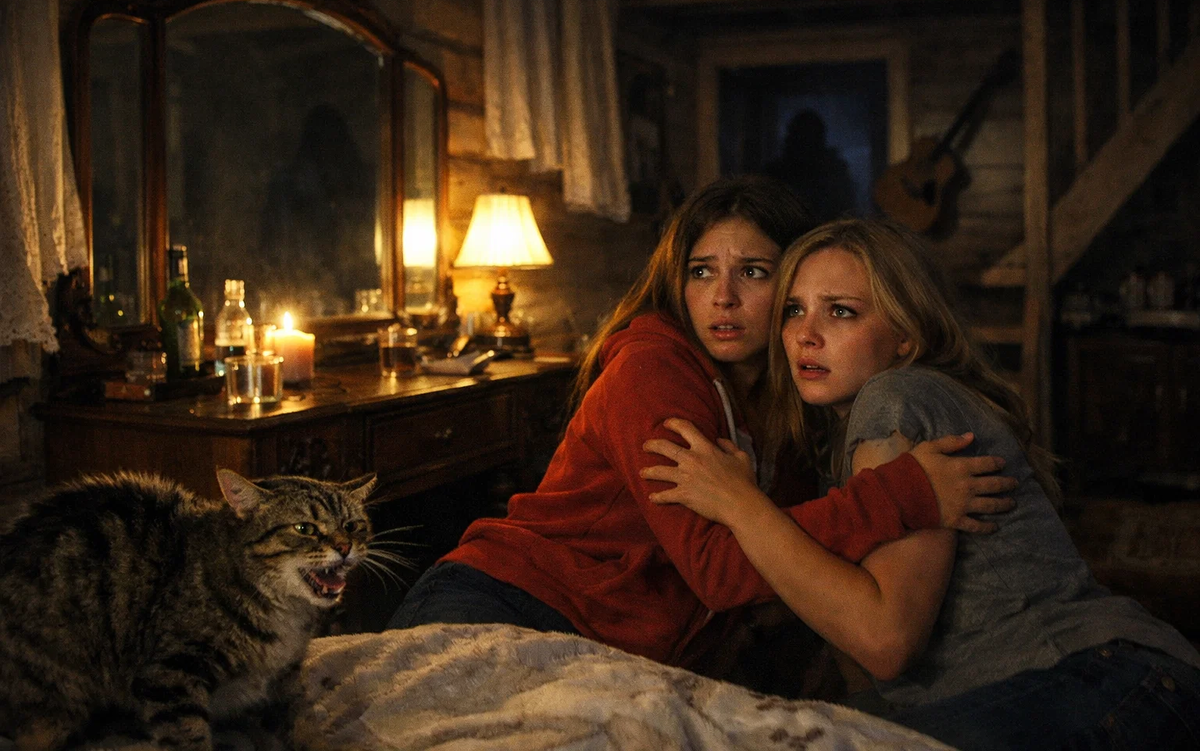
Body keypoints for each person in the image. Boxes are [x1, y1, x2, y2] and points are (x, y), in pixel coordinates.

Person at [387, 177, 1015, 667]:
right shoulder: (652, 371)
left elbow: (788, 557)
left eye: (753, 272)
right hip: (511, 601)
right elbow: (720, 571)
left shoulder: (801, 399)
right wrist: (903, 494)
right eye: (701, 271)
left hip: (615, 651)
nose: (723, 297)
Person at [643, 218, 1200, 748]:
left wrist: (739, 502)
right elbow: (860, 659)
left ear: (905, 339)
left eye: (841, 312)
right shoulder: (838, 441)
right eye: (794, 310)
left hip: (1095, 675)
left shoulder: (896, 397)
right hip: (1098, 683)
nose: (805, 335)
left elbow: (885, 640)